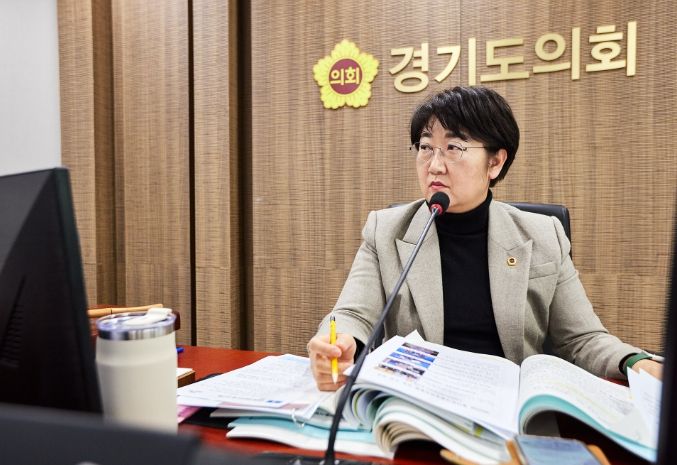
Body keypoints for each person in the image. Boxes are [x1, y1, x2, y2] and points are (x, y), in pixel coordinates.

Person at [307, 85, 662, 391]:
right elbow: (352, 314)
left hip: (509, 410)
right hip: (417, 403)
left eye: (454, 148)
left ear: (495, 163)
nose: (434, 165)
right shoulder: (386, 230)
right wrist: (338, 344)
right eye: (426, 147)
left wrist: (635, 362)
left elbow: (581, 339)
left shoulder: (543, 235)